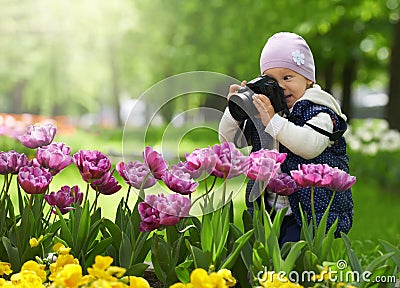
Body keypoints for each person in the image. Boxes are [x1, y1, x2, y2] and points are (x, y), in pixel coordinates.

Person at [218, 32, 353, 245]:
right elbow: (230, 142)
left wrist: (273, 122)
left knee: (296, 257)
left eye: (287, 77)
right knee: (264, 255)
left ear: (308, 78)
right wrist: (235, 110)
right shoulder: (270, 111)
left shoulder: (320, 111)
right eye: (272, 80)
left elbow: (309, 146)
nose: (280, 86)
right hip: (270, 207)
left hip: (310, 210)